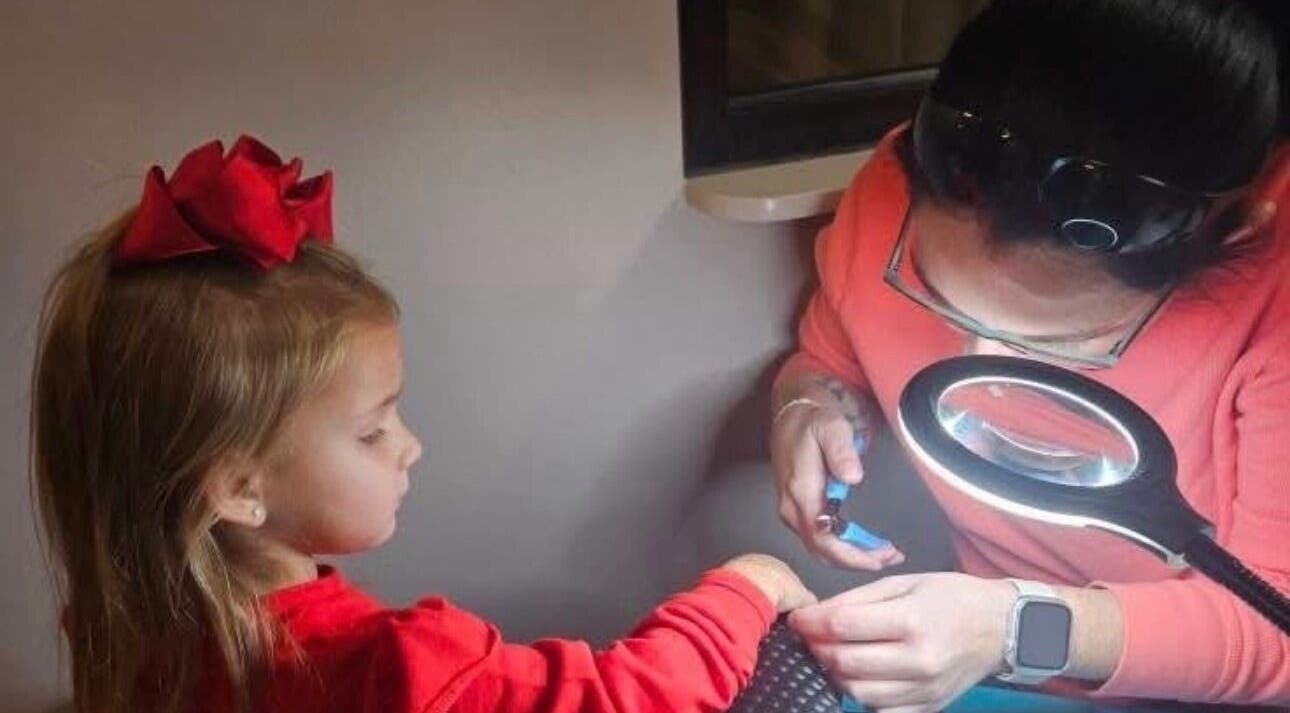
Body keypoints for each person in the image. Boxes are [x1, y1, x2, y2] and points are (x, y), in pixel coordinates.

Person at [30, 136, 816, 713]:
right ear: (238, 487)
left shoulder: (118, 623)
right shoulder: (399, 668)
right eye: (373, 430)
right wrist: (746, 585)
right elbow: (629, 699)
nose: (411, 446)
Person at [768, 0, 1290, 709]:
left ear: (1225, 247)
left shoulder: (1275, 294)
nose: (977, 365)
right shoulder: (896, 195)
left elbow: (1275, 624)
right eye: (936, 300)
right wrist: (806, 403)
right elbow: (829, 357)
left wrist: (1018, 629)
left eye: (1056, 345)